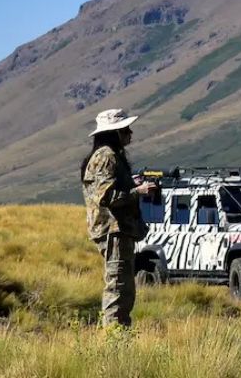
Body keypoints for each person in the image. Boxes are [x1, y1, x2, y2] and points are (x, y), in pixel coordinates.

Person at [80, 108, 157, 327]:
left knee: (123, 287)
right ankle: (114, 338)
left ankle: (118, 335)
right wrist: (138, 191)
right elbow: (107, 196)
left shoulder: (106, 156)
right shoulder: (107, 156)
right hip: (114, 230)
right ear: (114, 133)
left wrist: (130, 183)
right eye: (125, 130)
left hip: (117, 230)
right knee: (118, 288)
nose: (129, 133)